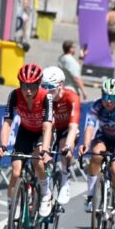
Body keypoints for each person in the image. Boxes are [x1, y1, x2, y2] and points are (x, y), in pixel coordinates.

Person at [0, 63, 55, 229]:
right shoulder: (14, 95)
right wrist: (2, 145)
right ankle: (11, 217)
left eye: (32, 87)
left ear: (38, 85)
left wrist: (45, 150)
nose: (28, 91)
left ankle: (45, 193)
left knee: (37, 160)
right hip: (25, 131)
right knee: (15, 172)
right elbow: (7, 122)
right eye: (24, 86)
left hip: (42, 133)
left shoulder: (46, 97)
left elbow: (47, 127)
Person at [80, 78, 115, 227]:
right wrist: (85, 144)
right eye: (106, 96)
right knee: (96, 154)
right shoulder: (97, 105)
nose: (108, 101)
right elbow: (90, 126)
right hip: (103, 137)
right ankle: (90, 196)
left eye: (113, 97)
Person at [42, 66, 80, 205]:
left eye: (50, 87)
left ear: (61, 85)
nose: (47, 91)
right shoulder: (43, 97)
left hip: (66, 130)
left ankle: (65, 178)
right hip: (51, 129)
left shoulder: (71, 97)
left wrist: (69, 147)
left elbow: (73, 126)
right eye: (43, 87)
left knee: (65, 150)